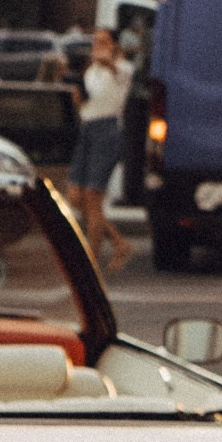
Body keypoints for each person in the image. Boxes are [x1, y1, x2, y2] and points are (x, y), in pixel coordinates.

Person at [69, 27, 132, 272]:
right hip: (88, 127)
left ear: (114, 45)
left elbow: (114, 72)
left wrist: (108, 61)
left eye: (104, 41)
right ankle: (118, 241)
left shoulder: (123, 68)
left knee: (94, 198)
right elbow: (91, 100)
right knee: (76, 195)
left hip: (107, 130)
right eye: (96, 41)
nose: (98, 45)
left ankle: (91, 261)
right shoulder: (91, 70)